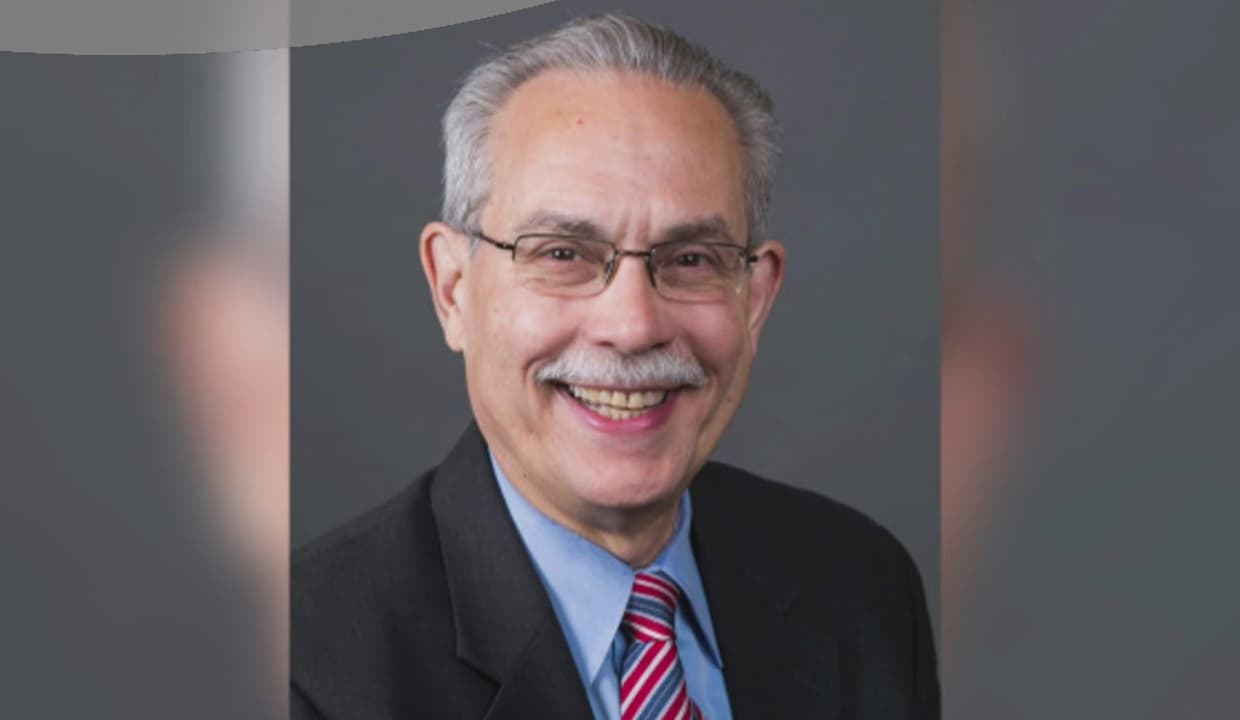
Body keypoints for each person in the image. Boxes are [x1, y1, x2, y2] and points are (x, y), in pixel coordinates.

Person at [292, 14, 937, 720]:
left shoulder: (864, 592)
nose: (632, 327)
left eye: (691, 259)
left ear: (754, 299)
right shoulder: (306, 671)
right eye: (562, 253)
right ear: (453, 289)